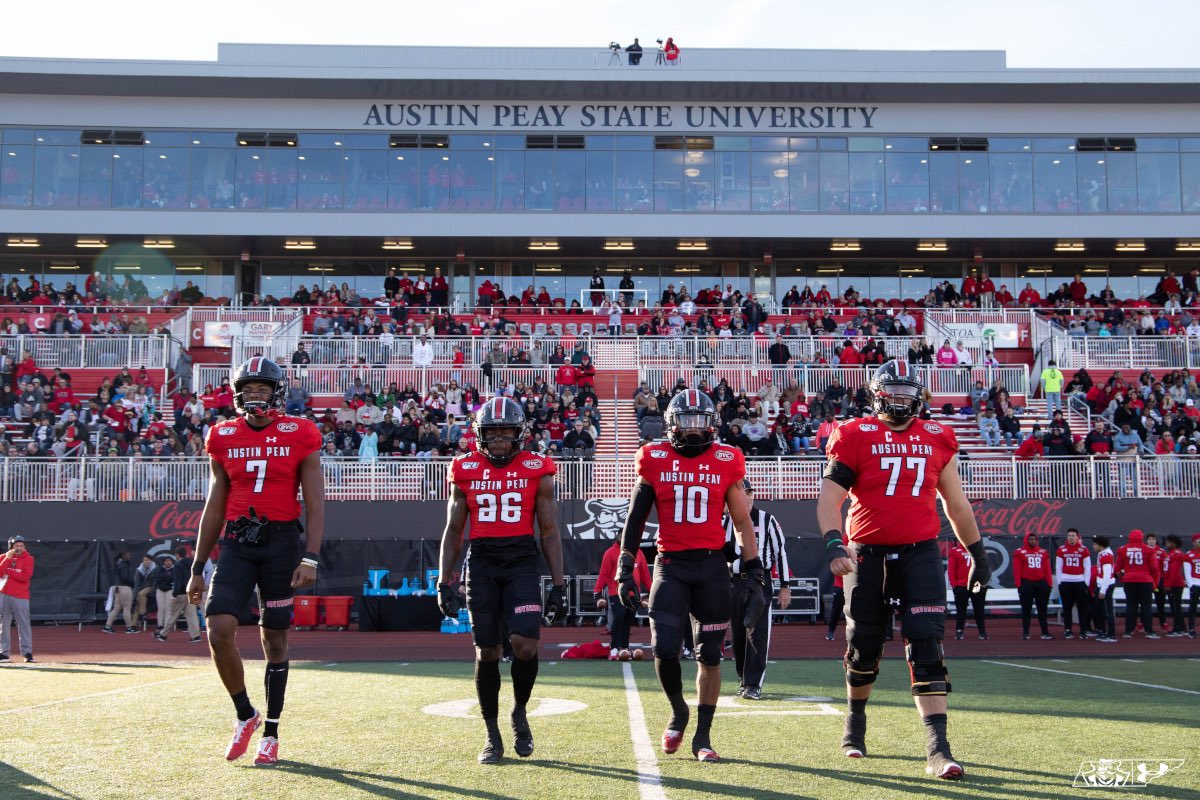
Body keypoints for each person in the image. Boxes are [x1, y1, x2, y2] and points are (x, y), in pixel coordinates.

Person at [817, 360, 991, 780]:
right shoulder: (854, 434)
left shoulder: (937, 436)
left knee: (928, 647)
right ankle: (855, 724)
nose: (900, 401)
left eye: (906, 394)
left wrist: (978, 554)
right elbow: (829, 500)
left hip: (921, 553)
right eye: (892, 393)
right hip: (867, 555)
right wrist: (834, 545)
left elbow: (956, 503)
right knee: (864, 647)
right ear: (877, 394)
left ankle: (938, 749)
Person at [188, 356, 326, 766]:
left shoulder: (301, 432)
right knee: (218, 628)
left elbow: (316, 502)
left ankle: (272, 733)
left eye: (262, 389)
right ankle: (246, 714)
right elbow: (215, 505)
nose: (255, 396)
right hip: (237, 541)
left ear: (276, 393)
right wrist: (197, 566)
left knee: (275, 641)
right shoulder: (222, 434)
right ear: (236, 393)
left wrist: (311, 557)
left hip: (282, 542)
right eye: (248, 389)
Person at [617, 389, 762, 762]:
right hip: (671, 565)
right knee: (664, 648)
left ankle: (702, 735)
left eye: (701, 421)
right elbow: (635, 518)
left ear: (712, 423)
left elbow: (742, 520)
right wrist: (625, 565)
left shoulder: (727, 458)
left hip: (712, 566)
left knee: (710, 655)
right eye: (687, 421)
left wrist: (753, 567)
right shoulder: (653, 457)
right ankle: (679, 709)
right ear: (672, 424)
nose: (695, 430)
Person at [437, 397, 565, 765]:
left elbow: (550, 530)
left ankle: (519, 711)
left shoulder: (536, 468)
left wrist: (558, 585)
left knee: (525, 643)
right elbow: (454, 529)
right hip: (483, 562)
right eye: (491, 433)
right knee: (487, 651)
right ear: (479, 434)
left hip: (522, 558)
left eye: (505, 432)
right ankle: (492, 735)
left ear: (519, 433)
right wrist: (444, 581)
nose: (497, 440)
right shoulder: (464, 468)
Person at [723, 479, 791, 700]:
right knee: (739, 633)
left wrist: (785, 586)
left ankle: (753, 683)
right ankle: (743, 679)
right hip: (735, 582)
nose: (749, 497)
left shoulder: (768, 520)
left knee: (757, 633)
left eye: (751, 493)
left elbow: (780, 553)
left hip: (760, 582)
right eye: (744, 493)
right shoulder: (726, 521)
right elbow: (721, 550)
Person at [594, 540, 651, 659]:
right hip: (616, 592)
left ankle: (624, 647)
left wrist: (652, 590)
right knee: (618, 617)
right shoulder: (610, 552)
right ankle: (614, 648)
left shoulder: (639, 553)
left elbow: (645, 573)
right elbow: (603, 573)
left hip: (633, 594)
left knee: (627, 621)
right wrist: (597, 592)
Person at [1116, 529, 1160, 639]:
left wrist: (1122, 577)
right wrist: (1155, 582)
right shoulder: (1149, 549)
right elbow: (1155, 568)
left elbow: (1117, 567)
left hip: (1129, 580)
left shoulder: (1123, 549)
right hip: (1145, 580)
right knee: (1146, 606)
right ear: (1142, 537)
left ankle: (1128, 631)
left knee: (1131, 605)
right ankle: (1149, 631)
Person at [157, 545, 202, 643]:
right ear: (185, 553)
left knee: (173, 614)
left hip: (182, 592)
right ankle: (196, 635)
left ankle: (163, 634)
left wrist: (174, 594)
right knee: (192, 614)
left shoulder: (177, 565)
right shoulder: (192, 562)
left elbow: (177, 581)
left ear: (177, 555)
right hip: (194, 590)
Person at [0, 534, 35, 662]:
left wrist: (7, 571)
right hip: (3, 595)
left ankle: (27, 653)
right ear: (11, 547)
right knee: (3, 625)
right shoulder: (3, 557)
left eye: (21, 546)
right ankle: (3, 653)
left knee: (24, 624)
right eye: (16, 546)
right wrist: (7, 560)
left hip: (21, 596)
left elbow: (25, 577)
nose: (19, 548)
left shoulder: (29, 558)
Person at [1013, 533, 1053, 640]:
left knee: (1043, 610)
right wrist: (1019, 585)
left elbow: (1047, 569)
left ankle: (1045, 632)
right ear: (1026, 540)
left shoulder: (1043, 552)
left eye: (1034, 539)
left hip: (1041, 583)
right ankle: (1026, 633)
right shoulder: (1019, 552)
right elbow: (1017, 570)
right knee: (1026, 610)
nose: (1033, 541)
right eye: (1030, 539)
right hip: (1027, 583)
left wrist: (1049, 584)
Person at [1055, 528, 1093, 638]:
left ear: (1077, 537)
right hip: (1066, 582)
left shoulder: (1083, 550)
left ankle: (1083, 630)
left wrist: (1085, 583)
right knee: (1067, 608)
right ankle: (1068, 629)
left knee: (1082, 608)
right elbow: (1058, 567)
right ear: (1067, 537)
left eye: (1073, 535)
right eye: (1069, 535)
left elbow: (1087, 568)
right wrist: (1060, 582)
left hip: (1079, 582)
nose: (1071, 537)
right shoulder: (1061, 550)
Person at [947, 538, 987, 640]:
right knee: (961, 610)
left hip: (976, 586)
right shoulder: (956, 551)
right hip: (961, 586)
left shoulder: (980, 552)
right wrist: (954, 585)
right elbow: (951, 570)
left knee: (979, 610)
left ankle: (982, 632)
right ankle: (959, 631)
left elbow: (984, 568)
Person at [102, 550, 139, 634]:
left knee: (116, 608)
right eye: (128, 555)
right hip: (125, 588)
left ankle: (107, 626)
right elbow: (125, 577)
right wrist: (133, 582)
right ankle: (129, 628)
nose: (129, 556)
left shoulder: (119, 564)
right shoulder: (123, 565)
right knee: (127, 609)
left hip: (117, 587)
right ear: (124, 556)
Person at [1091, 535, 1117, 642]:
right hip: (1102, 584)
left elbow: (1107, 575)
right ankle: (1103, 631)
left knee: (1107, 611)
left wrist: (1102, 590)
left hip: (1105, 586)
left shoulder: (1106, 555)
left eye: (1095, 544)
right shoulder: (1103, 554)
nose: (1093, 546)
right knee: (1101, 610)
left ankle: (1111, 634)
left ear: (1101, 545)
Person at [1162, 535, 1188, 636]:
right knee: (1176, 606)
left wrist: (1168, 584)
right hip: (1172, 583)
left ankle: (1177, 629)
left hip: (1175, 584)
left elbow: (1175, 572)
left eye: (1168, 542)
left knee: (1175, 607)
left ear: (1174, 543)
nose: (1167, 544)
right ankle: (1182, 627)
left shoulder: (1176, 554)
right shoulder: (1171, 554)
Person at [1185, 534, 1200, 638]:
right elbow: (1187, 572)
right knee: (1193, 608)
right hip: (1195, 583)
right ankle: (1191, 629)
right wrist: (1191, 585)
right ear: (1193, 542)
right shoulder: (1189, 554)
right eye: (1198, 541)